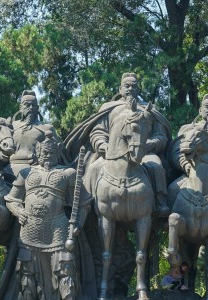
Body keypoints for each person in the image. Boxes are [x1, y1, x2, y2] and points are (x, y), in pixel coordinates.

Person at [5, 133, 89, 300]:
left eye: (52, 152)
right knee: (26, 268)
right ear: (38, 152)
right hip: (30, 226)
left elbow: (83, 204)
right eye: (44, 152)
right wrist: (19, 211)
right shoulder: (26, 173)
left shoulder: (68, 173)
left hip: (57, 225)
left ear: (58, 152)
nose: (48, 155)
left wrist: (78, 225)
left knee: (65, 265)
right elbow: (11, 199)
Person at [65, 73, 172, 217]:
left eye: (134, 86)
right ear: (120, 89)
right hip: (113, 155)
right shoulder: (109, 108)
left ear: (138, 89)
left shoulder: (148, 110)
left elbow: (161, 136)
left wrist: (150, 144)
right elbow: (97, 132)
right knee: (92, 169)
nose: (130, 89)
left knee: (157, 166)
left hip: (143, 153)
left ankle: (160, 203)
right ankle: (85, 206)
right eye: (126, 86)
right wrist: (103, 145)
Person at [3, 90, 59, 182]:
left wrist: (41, 158)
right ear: (21, 108)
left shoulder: (46, 129)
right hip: (9, 170)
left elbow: (57, 153)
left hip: (35, 170)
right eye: (27, 105)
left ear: (37, 108)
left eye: (34, 105)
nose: (31, 107)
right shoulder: (11, 127)